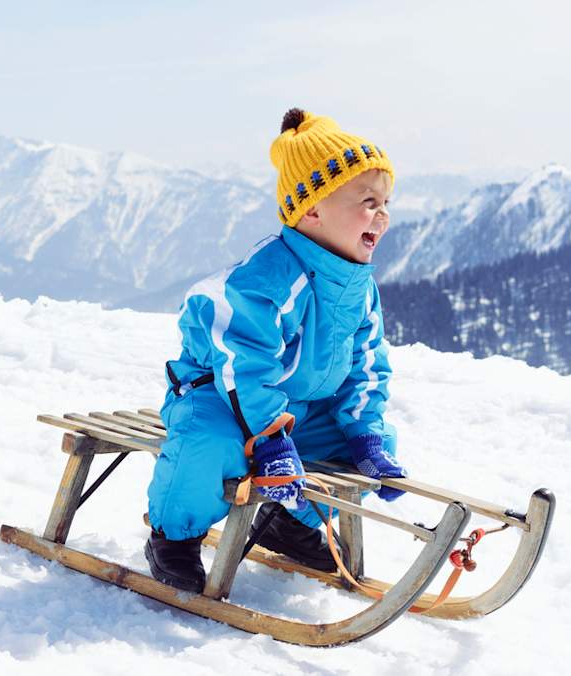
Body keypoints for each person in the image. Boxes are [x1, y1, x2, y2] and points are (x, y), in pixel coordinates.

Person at [144, 108, 408, 593]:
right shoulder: (268, 278)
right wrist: (269, 439)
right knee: (208, 446)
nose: (383, 213)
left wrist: (365, 435)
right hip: (221, 398)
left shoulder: (358, 289)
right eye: (368, 201)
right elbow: (244, 366)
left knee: (365, 446)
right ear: (312, 210)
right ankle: (174, 537)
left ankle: (295, 524)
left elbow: (367, 369)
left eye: (386, 201)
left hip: (298, 410)